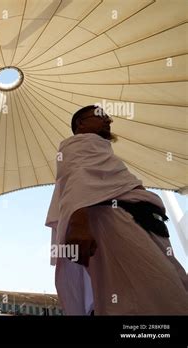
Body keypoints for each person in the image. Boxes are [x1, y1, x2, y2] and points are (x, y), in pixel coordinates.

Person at [45, 105, 188, 315]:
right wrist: (78, 223)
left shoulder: (98, 147)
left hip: (139, 222)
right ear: (81, 123)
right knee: (151, 291)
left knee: (172, 286)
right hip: (115, 221)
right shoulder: (76, 144)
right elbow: (75, 178)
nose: (109, 120)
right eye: (101, 116)